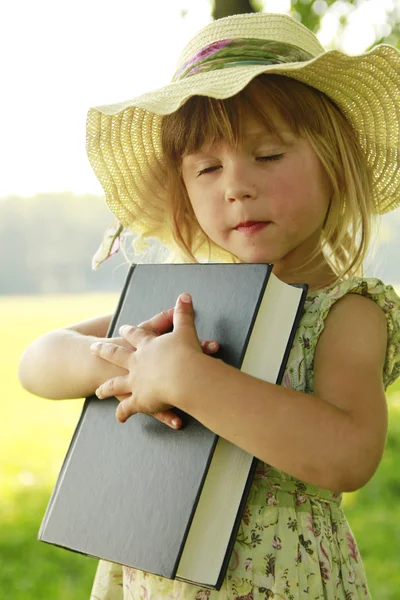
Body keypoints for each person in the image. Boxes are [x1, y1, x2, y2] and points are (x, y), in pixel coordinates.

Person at [18, 11, 400, 600]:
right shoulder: (181, 307)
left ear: (334, 162)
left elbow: (348, 456)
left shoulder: (343, 310)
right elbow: (37, 362)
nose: (235, 185)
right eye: (208, 167)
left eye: (268, 155)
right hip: (155, 570)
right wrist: (133, 362)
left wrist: (191, 381)